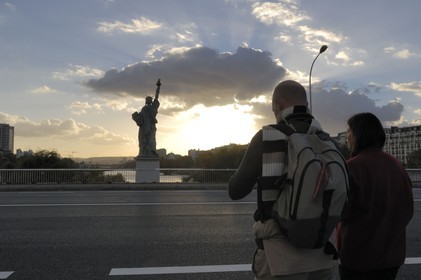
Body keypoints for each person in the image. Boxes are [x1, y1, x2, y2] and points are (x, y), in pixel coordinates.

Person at [228, 80, 337, 280]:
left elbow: (236, 191)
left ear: (277, 105)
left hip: (279, 259)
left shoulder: (267, 136)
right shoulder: (327, 140)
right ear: (306, 105)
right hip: (322, 255)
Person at [337, 112, 414, 280]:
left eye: (349, 131)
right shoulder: (397, 165)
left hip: (358, 257)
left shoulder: (351, 167)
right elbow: (407, 209)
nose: (347, 136)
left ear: (358, 135)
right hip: (392, 256)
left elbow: (340, 212)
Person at [132, 79, 161, 158]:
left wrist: (158, 87)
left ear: (151, 101)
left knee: (151, 141)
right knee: (143, 141)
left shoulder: (153, 107)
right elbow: (140, 121)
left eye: (149, 99)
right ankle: (143, 153)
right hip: (144, 128)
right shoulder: (143, 109)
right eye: (147, 99)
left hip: (151, 127)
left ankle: (151, 152)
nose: (148, 100)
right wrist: (136, 118)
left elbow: (157, 97)